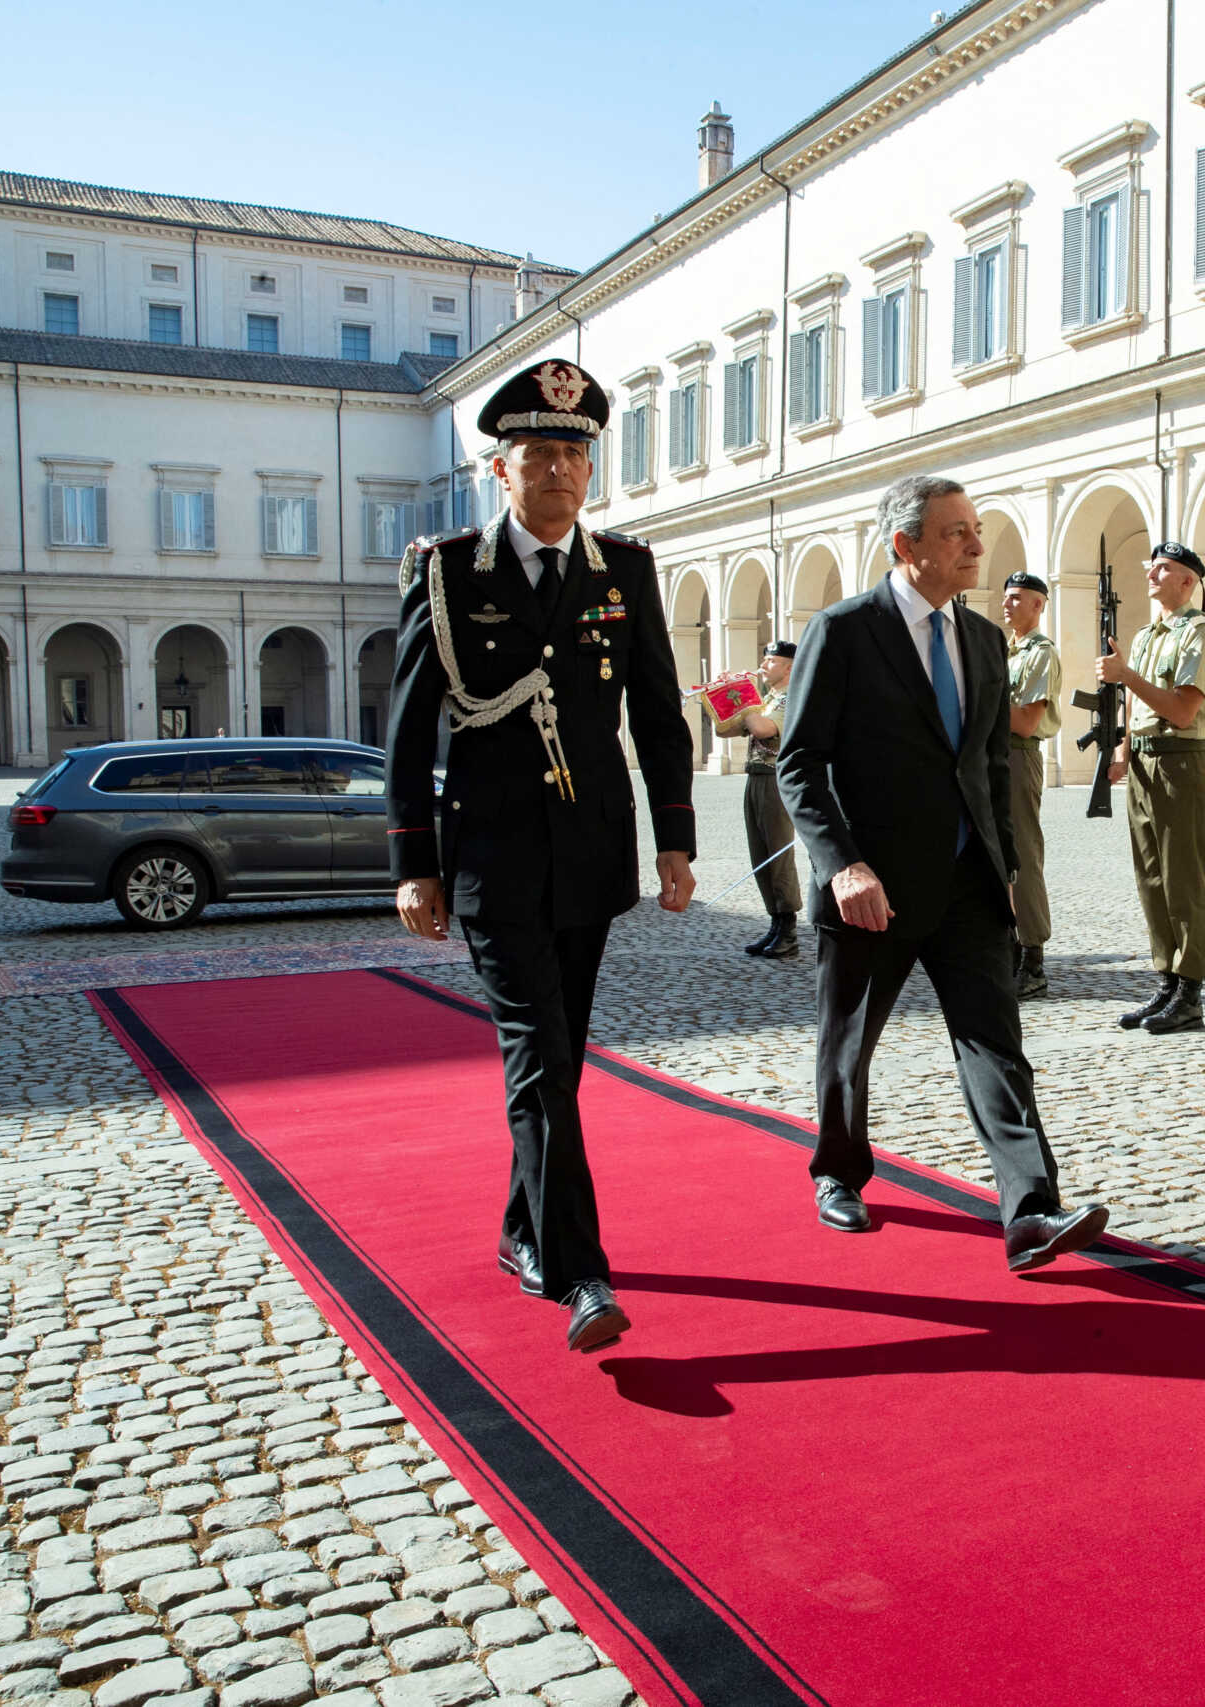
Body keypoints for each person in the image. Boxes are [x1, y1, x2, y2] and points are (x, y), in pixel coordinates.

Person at [385, 357, 696, 1354]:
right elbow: (406, 729)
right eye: (539, 453)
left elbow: (657, 714)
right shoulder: (447, 572)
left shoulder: (625, 572)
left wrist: (677, 840)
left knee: (559, 1061)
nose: (560, 469)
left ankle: (524, 1232)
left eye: (574, 453)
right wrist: (412, 861)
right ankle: (580, 1271)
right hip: (490, 860)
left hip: (590, 856)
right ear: (501, 472)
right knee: (539, 1061)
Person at [777, 473, 1109, 1271]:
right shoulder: (846, 630)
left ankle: (1030, 1209)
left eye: (976, 527)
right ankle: (839, 1171)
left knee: (996, 1043)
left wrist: (1006, 864)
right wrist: (841, 865)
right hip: (872, 888)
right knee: (849, 1041)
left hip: (968, 884)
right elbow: (800, 764)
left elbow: (991, 764)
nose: (975, 543)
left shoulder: (986, 640)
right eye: (956, 531)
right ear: (906, 545)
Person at [1101, 542, 1205, 1035]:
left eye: (1164, 569)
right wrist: (1122, 749)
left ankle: (1190, 989)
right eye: (1151, 568)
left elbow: (1182, 709)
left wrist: (1126, 674)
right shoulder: (1148, 634)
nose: (1152, 575)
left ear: (1188, 582)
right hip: (1145, 763)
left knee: (1183, 880)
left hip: (1181, 762)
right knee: (1151, 878)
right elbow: (1139, 708)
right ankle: (1167, 979)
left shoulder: (1198, 634)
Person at [1002, 571, 1062, 998]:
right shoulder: (1005, 652)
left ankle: (1034, 958)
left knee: (1022, 854)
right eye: (1006, 597)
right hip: (990, 759)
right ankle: (1005, 949)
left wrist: (981, 697)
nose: (1007, 605)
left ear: (1039, 605)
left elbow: (1025, 721)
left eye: (1018, 598)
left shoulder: (1040, 654)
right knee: (994, 858)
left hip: (1017, 758)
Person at [737, 640, 801, 960]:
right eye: (764, 659)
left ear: (789, 667)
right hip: (756, 777)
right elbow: (728, 729)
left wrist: (742, 698)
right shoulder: (768, 698)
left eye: (771, 661)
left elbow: (762, 729)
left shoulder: (791, 697)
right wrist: (726, 697)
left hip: (776, 781)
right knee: (759, 854)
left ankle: (788, 930)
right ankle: (775, 923)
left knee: (777, 856)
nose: (763, 666)